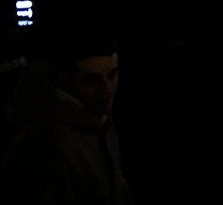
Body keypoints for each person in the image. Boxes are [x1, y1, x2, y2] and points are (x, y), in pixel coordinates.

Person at [0, 26, 132, 205]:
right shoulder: (43, 144)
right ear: (64, 79)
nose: (106, 90)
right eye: (91, 79)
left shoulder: (98, 119)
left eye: (112, 75)